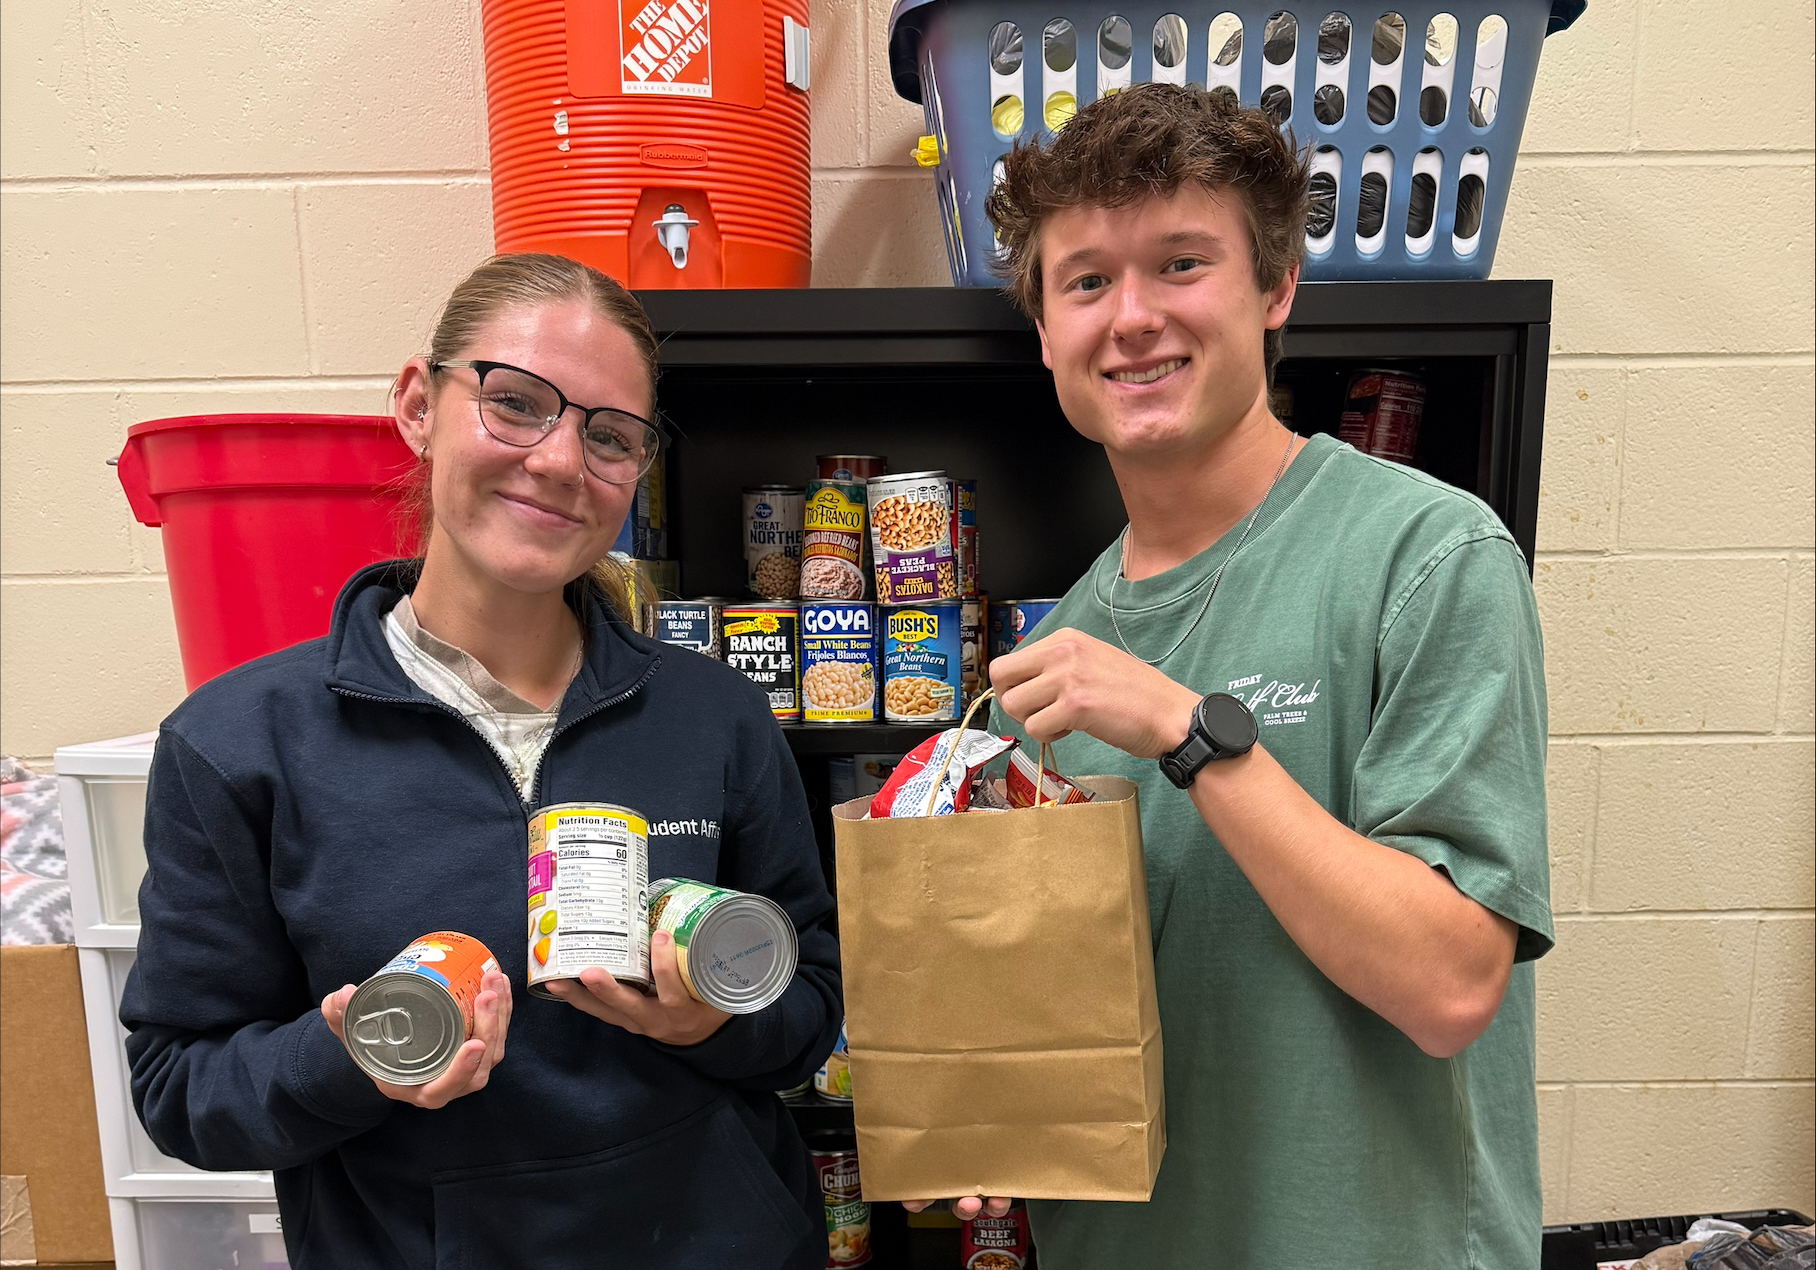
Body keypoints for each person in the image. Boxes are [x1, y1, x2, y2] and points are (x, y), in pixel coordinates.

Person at [121, 253, 842, 1269]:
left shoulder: (714, 714)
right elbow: (178, 1087)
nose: (558, 460)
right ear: (419, 404)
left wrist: (708, 1025)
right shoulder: (239, 741)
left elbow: (809, 1004)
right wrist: (354, 1057)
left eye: (609, 436)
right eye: (514, 402)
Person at [935, 85, 1553, 1268]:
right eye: (1085, 281)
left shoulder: (1426, 557)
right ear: (1044, 328)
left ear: (1274, 291)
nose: (1131, 318)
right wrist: (989, 1097)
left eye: (1180, 264)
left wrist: (1187, 732)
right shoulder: (1064, 648)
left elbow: (1449, 984)